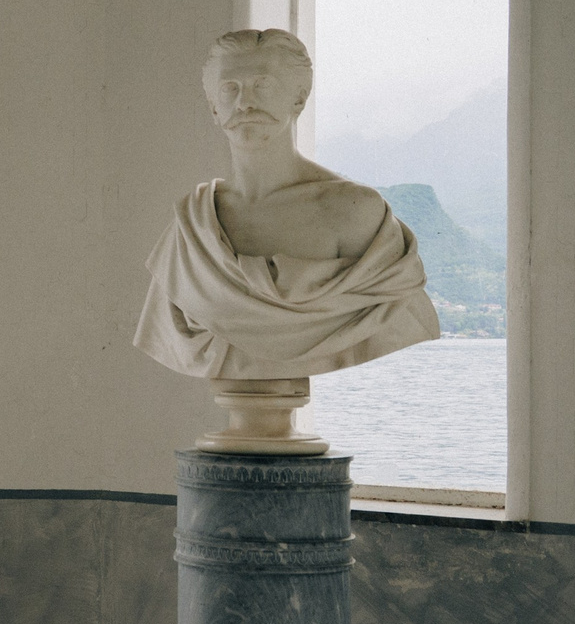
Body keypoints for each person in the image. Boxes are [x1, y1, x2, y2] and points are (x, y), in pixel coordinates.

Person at [135, 27, 440, 380]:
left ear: (299, 97)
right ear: (213, 108)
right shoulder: (192, 227)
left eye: (262, 86)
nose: (244, 102)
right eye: (229, 89)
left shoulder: (353, 212)